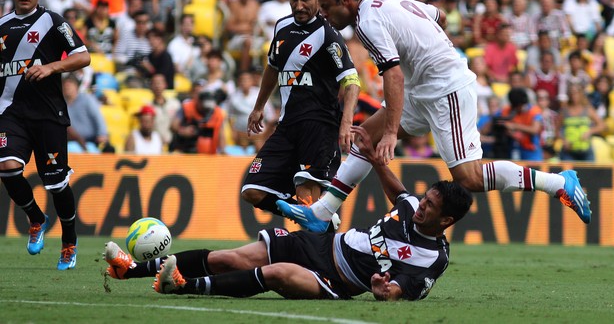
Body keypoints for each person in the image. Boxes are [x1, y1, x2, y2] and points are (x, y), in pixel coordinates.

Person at [278, 0, 591, 234]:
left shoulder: (365, 22)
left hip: (445, 91)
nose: (325, 15)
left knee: (468, 178)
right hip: (423, 89)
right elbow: (437, 15)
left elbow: (394, 75)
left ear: (346, 0)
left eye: (328, 7)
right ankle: (322, 212)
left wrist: (391, 131)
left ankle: (557, 182)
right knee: (365, 140)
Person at [104, 126, 473, 301]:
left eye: (430, 207)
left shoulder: (433, 259)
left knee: (276, 274)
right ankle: (130, 270)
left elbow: (401, 291)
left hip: (335, 280)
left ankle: (184, 286)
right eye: (425, 199)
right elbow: (400, 193)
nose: (421, 206)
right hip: (320, 242)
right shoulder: (412, 207)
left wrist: (383, 290)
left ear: (446, 222)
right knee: (230, 257)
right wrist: (377, 163)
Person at [241, 0, 360, 223]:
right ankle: (316, 221)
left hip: (319, 127)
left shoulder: (329, 34)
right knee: (251, 190)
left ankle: (315, 243)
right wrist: (259, 106)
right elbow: (273, 67)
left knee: (307, 194)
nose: (299, 6)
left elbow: (351, 82)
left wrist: (346, 123)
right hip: (287, 127)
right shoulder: (281, 27)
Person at [0, 0, 91, 269]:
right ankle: (36, 218)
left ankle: (68, 241)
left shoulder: (52, 21)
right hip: (10, 113)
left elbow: (83, 55)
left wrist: (52, 67)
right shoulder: (2, 26)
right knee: (8, 169)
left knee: (56, 185)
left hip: (48, 115)